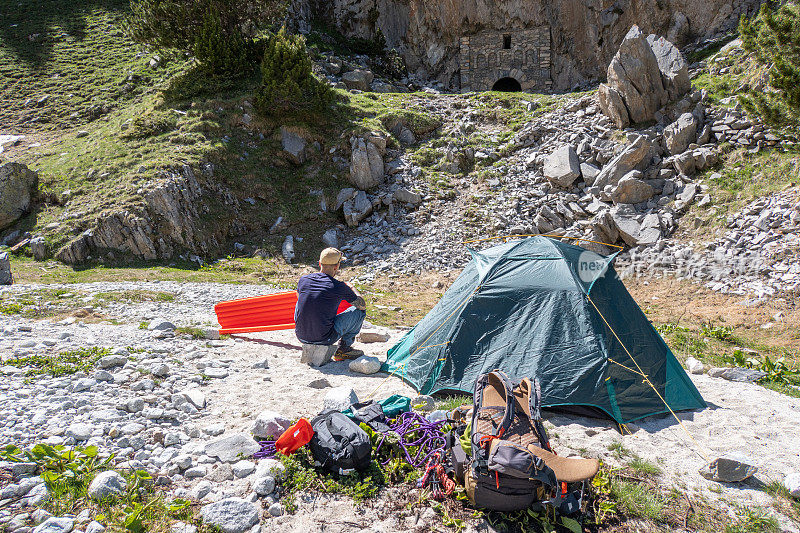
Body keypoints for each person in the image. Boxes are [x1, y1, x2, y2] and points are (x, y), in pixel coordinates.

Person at [295, 247, 367, 361]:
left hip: (301, 336)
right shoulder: (339, 286)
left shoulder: (303, 280)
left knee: (300, 302)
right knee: (360, 312)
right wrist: (352, 288)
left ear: (319, 263)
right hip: (324, 339)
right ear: (337, 266)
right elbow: (362, 305)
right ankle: (344, 349)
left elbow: (300, 300)